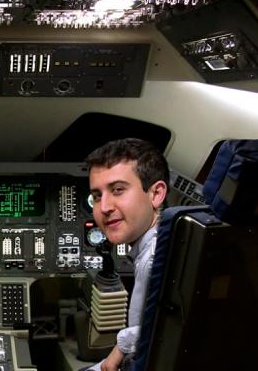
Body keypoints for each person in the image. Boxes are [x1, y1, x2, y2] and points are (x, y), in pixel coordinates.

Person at [84, 138, 169, 371]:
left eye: (118, 190)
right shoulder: (167, 243)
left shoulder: (154, 260)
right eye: (97, 196)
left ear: (156, 193)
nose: (104, 207)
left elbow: (164, 335)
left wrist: (121, 347)